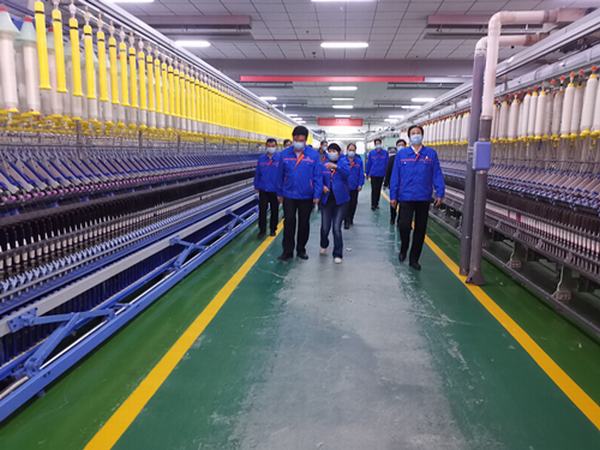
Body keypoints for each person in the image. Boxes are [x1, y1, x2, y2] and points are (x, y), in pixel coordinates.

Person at [390, 125, 445, 271]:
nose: (416, 135)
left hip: (423, 197)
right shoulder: (402, 154)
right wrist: (393, 196)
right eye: (413, 133)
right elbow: (395, 176)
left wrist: (440, 192)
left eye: (418, 133)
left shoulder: (430, 154)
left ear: (422, 135)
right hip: (406, 196)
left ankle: (414, 258)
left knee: (420, 229)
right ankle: (404, 248)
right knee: (404, 226)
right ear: (409, 137)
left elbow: (437, 174)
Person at [276, 126, 323, 261]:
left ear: (305, 140)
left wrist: (317, 195)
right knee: (289, 223)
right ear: (293, 138)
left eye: (301, 140)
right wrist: (279, 193)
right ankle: (287, 251)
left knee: (304, 224)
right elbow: (279, 175)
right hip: (289, 194)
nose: (298, 143)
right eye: (296, 140)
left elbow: (317, 176)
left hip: (306, 195)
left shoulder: (313, 155)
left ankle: (301, 249)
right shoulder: (284, 154)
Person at [319, 143, 350, 264]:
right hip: (326, 199)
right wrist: (322, 186)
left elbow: (347, 173)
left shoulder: (344, 162)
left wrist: (336, 167)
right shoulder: (323, 163)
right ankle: (324, 243)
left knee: (336, 228)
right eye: (330, 151)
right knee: (325, 227)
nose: (331, 153)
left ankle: (338, 253)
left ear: (339, 152)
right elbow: (317, 177)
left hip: (340, 200)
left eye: (334, 151)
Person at [254, 138, 280, 238]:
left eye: (273, 146)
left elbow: (283, 174)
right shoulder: (261, 159)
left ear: (276, 146)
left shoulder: (280, 159)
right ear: (266, 146)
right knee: (262, 211)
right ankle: (262, 230)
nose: (271, 148)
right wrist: (256, 185)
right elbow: (257, 173)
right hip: (263, 189)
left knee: (274, 210)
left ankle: (273, 229)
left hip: (275, 189)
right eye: (269, 146)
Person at [384, 138, 407, 225]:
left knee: (403, 205)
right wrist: (386, 183)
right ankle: (392, 218)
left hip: (405, 186)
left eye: (402, 145)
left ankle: (400, 220)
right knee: (393, 202)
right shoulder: (392, 158)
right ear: (396, 147)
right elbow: (388, 171)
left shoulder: (409, 158)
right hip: (394, 185)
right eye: (399, 145)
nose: (401, 147)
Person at [344, 142, 364, 229]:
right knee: (345, 204)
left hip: (354, 186)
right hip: (344, 186)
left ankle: (351, 218)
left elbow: (361, 174)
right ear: (347, 150)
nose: (351, 152)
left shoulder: (359, 161)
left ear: (355, 151)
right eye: (350, 150)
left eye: (353, 150)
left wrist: (360, 184)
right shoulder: (342, 160)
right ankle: (346, 220)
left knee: (353, 203)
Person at [365, 138, 389, 210]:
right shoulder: (371, 153)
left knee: (378, 190)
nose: (378, 145)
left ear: (381, 144)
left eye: (379, 143)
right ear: (375, 144)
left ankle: (377, 203)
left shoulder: (385, 153)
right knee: (374, 189)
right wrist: (367, 173)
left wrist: (387, 175)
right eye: (376, 143)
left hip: (381, 174)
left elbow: (387, 164)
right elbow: (369, 163)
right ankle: (373, 204)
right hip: (374, 174)